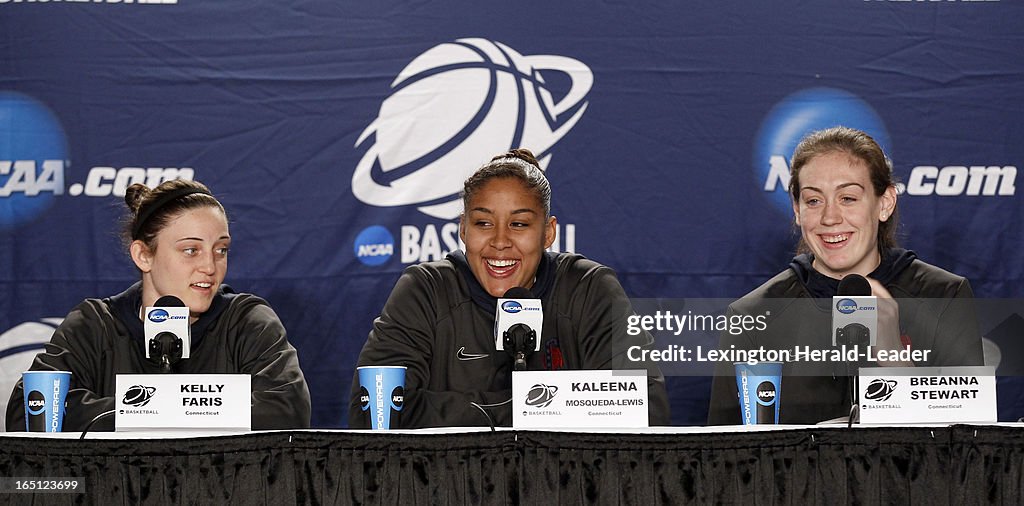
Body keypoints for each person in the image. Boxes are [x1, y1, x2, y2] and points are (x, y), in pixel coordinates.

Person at [349, 148, 670, 428]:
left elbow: (642, 407)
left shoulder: (589, 289)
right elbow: (377, 414)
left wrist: (458, 410)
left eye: (519, 224)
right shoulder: (426, 291)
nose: (500, 242)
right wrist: (538, 409)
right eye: (483, 223)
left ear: (548, 232)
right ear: (463, 228)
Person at [707, 126, 984, 425]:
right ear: (797, 210)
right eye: (814, 201)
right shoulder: (752, 316)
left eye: (848, 198)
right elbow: (724, 459)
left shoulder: (944, 297)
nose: (829, 217)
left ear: (885, 203)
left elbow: (965, 454)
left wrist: (896, 362)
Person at [6, 179, 311, 431]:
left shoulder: (248, 321)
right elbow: (33, 410)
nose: (210, 266)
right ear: (143, 255)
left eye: (221, 250)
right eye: (191, 250)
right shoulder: (93, 324)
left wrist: (145, 409)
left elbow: (287, 409)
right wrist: (180, 408)